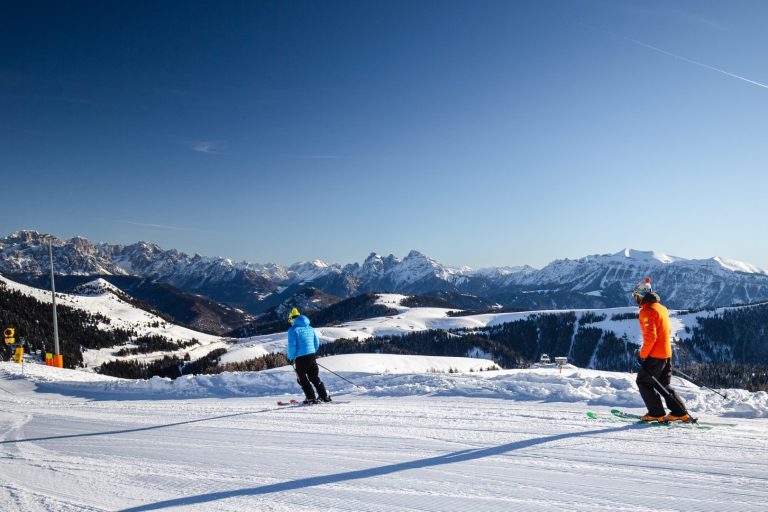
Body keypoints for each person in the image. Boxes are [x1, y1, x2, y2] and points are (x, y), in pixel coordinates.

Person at [631, 278, 691, 423]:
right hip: (666, 353)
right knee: (664, 385)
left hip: (655, 355)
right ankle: (679, 412)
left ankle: (656, 413)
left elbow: (651, 337)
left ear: (641, 295)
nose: (635, 299)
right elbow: (667, 330)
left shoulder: (647, 311)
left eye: (636, 296)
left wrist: (642, 355)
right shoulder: (661, 308)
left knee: (643, 382)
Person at [286, 307, 331, 404]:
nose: (290, 322)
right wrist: (310, 353)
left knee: (302, 379)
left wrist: (291, 358)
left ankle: (311, 398)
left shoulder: (292, 330)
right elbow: (317, 343)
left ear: (292, 319)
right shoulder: (310, 328)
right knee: (314, 377)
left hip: (300, 358)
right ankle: (324, 396)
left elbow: (292, 346)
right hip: (311, 356)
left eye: (289, 320)